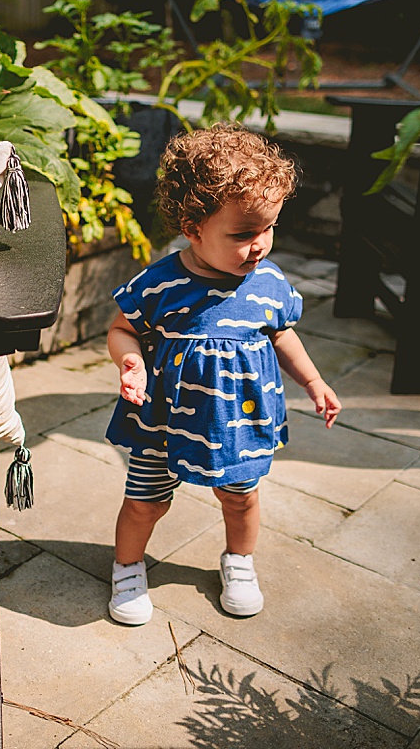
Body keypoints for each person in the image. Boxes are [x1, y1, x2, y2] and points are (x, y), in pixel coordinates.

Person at [103, 125, 341, 624]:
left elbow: (283, 336)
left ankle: (239, 561)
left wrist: (314, 382)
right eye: (242, 234)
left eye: (268, 229)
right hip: (163, 422)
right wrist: (131, 361)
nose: (259, 246)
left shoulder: (269, 283)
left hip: (239, 418)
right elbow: (121, 328)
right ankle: (127, 565)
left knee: (240, 496)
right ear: (192, 228)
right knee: (145, 502)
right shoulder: (161, 282)